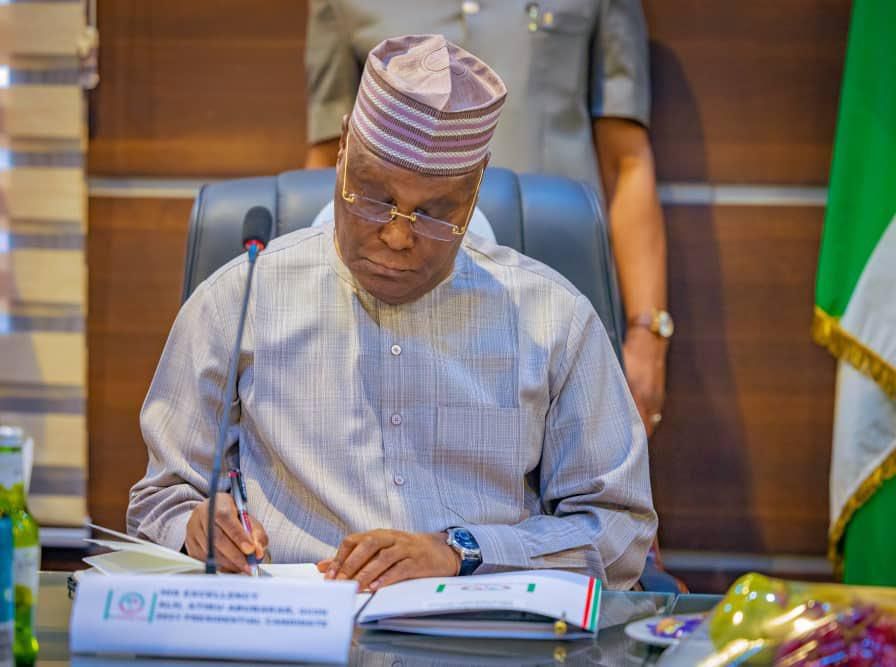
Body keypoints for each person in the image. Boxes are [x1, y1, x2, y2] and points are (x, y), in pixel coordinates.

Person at [128, 35, 656, 591]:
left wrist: (462, 552)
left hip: (481, 634)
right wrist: (196, 526)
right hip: (294, 633)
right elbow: (157, 501)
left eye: (433, 213)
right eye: (374, 198)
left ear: (473, 192)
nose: (399, 236)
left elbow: (618, 532)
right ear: (341, 159)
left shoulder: (554, 319)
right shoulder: (240, 298)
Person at [305, 0, 672, 437]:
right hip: (402, 302)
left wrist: (647, 334)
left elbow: (626, 160)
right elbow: (333, 160)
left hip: (556, 299)